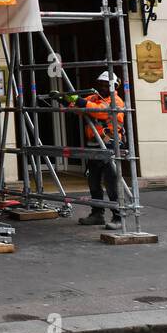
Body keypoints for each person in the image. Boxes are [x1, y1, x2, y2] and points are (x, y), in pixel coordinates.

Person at [66, 71, 127, 229]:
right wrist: (65, 99)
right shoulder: (94, 98)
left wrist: (79, 101)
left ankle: (118, 216)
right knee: (93, 181)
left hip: (110, 144)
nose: (102, 87)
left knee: (111, 182)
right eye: (100, 84)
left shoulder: (116, 101)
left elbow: (99, 110)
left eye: (106, 85)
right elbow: (76, 107)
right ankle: (97, 213)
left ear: (114, 86)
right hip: (94, 144)